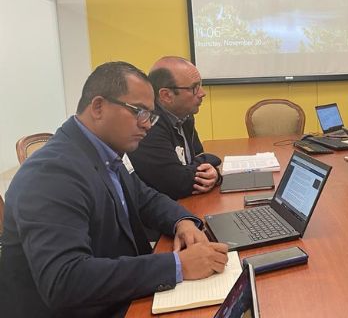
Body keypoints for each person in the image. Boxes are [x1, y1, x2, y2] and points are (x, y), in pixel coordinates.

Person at [0, 62, 229, 317]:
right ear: (98, 107)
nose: (148, 125)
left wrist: (182, 222)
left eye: (151, 115)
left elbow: (146, 198)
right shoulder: (51, 173)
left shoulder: (105, 153)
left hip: (116, 296)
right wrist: (176, 265)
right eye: (139, 112)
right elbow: (65, 280)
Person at [128, 57, 221, 200]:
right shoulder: (148, 125)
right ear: (166, 95)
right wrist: (212, 160)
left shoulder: (185, 116)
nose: (202, 93)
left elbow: (199, 162)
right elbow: (176, 183)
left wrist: (214, 175)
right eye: (194, 88)